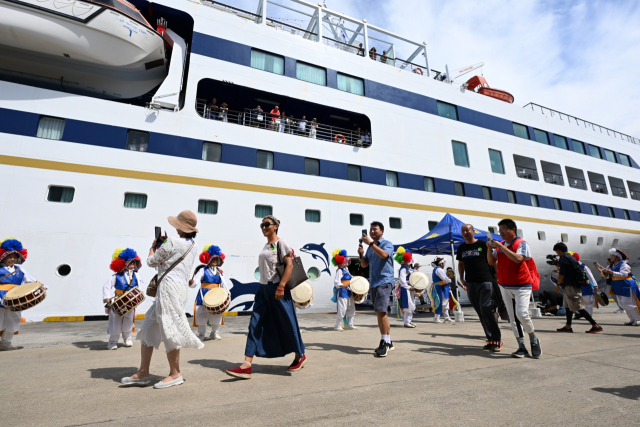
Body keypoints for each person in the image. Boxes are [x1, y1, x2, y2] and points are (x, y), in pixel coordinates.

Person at [122, 210, 202, 389]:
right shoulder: (192, 245)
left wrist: (153, 247)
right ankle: (143, 371)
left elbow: (152, 261)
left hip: (168, 289)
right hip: (179, 289)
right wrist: (164, 244)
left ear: (179, 226)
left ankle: (175, 374)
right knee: (149, 326)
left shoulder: (173, 242)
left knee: (169, 327)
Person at [226, 215, 306, 379]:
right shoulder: (265, 246)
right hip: (263, 290)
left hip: (278, 289)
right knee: (255, 323)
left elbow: (289, 265)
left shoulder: (281, 243)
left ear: (275, 226)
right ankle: (247, 364)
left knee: (287, 323)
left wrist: (281, 286)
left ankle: (300, 354)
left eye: (267, 224)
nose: (263, 227)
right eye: (261, 225)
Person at [487, 219, 542, 359]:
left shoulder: (521, 243)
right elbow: (491, 261)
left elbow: (518, 258)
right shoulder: (501, 246)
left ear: (513, 230)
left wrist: (501, 247)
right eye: (500, 230)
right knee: (512, 318)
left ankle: (533, 338)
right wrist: (489, 248)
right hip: (504, 285)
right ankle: (521, 347)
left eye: (504, 229)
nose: (502, 232)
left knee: (522, 314)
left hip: (522, 284)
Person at [457, 224, 502, 351]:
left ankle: (496, 339)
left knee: (485, 308)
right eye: (463, 231)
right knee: (480, 312)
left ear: (473, 231)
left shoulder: (483, 244)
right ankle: (490, 339)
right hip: (470, 282)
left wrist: (497, 276)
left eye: (467, 230)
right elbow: (461, 264)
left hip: (485, 280)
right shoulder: (461, 247)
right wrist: (461, 278)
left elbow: (493, 260)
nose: (465, 232)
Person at [358, 221, 395, 357]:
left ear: (382, 231)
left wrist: (371, 244)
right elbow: (364, 265)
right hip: (374, 283)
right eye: (371, 230)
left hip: (384, 281)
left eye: (375, 229)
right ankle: (389, 342)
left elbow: (384, 255)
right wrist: (361, 254)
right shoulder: (369, 248)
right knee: (380, 312)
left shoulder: (387, 244)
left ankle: (384, 342)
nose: (372, 232)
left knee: (381, 311)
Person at [552, 244, 603, 334]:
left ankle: (595, 325)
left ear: (559, 250)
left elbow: (562, 274)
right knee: (568, 306)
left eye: (556, 251)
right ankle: (568, 326)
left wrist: (558, 284)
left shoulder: (564, 258)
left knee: (577, 306)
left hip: (570, 286)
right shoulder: (572, 258)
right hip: (573, 285)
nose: (557, 253)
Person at [103, 248, 145, 350]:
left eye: (134, 262)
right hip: (117, 302)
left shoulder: (137, 276)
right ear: (124, 263)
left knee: (129, 321)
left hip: (130, 303)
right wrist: (107, 299)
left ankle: (128, 339)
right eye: (131, 262)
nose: (133, 264)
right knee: (115, 321)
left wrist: (138, 297)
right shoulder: (116, 276)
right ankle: (112, 341)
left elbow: (141, 287)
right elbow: (106, 287)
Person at [0, 238, 37, 351]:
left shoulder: (20, 269)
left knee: (14, 320)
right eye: (10, 257)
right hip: (0, 296)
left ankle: (6, 343)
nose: (12, 259)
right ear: (3, 257)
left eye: (15, 257)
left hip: (16, 298)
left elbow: (30, 282)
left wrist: (39, 286)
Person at [190, 244, 231, 341]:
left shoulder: (220, 272)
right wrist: (191, 283)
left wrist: (228, 294)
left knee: (217, 313)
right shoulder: (202, 270)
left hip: (217, 295)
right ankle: (201, 334)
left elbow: (224, 283)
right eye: (213, 259)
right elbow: (194, 283)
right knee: (201, 313)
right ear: (208, 259)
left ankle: (214, 332)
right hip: (203, 294)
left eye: (217, 259)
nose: (215, 261)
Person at [603, 248, 640, 326]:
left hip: (626, 284)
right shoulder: (612, 265)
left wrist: (612, 272)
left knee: (628, 303)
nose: (611, 257)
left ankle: (638, 319)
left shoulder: (624, 265)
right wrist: (605, 274)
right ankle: (632, 319)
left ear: (618, 257)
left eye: (613, 256)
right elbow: (608, 274)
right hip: (618, 285)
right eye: (611, 256)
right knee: (622, 304)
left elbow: (624, 275)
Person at [331, 249, 356, 331]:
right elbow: (336, 282)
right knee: (342, 309)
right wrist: (343, 285)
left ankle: (350, 324)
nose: (347, 262)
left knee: (351, 308)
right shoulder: (339, 271)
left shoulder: (346, 270)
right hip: (342, 292)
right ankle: (337, 325)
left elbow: (351, 278)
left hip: (349, 291)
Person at [394, 247, 416, 328]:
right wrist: (408, 287)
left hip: (409, 288)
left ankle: (409, 321)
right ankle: (406, 322)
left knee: (411, 305)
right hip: (406, 289)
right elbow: (402, 280)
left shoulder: (407, 268)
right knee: (408, 305)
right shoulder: (403, 269)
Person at [431, 257, 453, 323]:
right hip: (441, 288)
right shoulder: (439, 270)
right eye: (444, 263)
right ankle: (436, 318)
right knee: (440, 302)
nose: (444, 265)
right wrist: (450, 280)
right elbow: (444, 278)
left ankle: (446, 317)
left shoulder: (437, 269)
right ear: (441, 263)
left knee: (446, 303)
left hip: (443, 287)